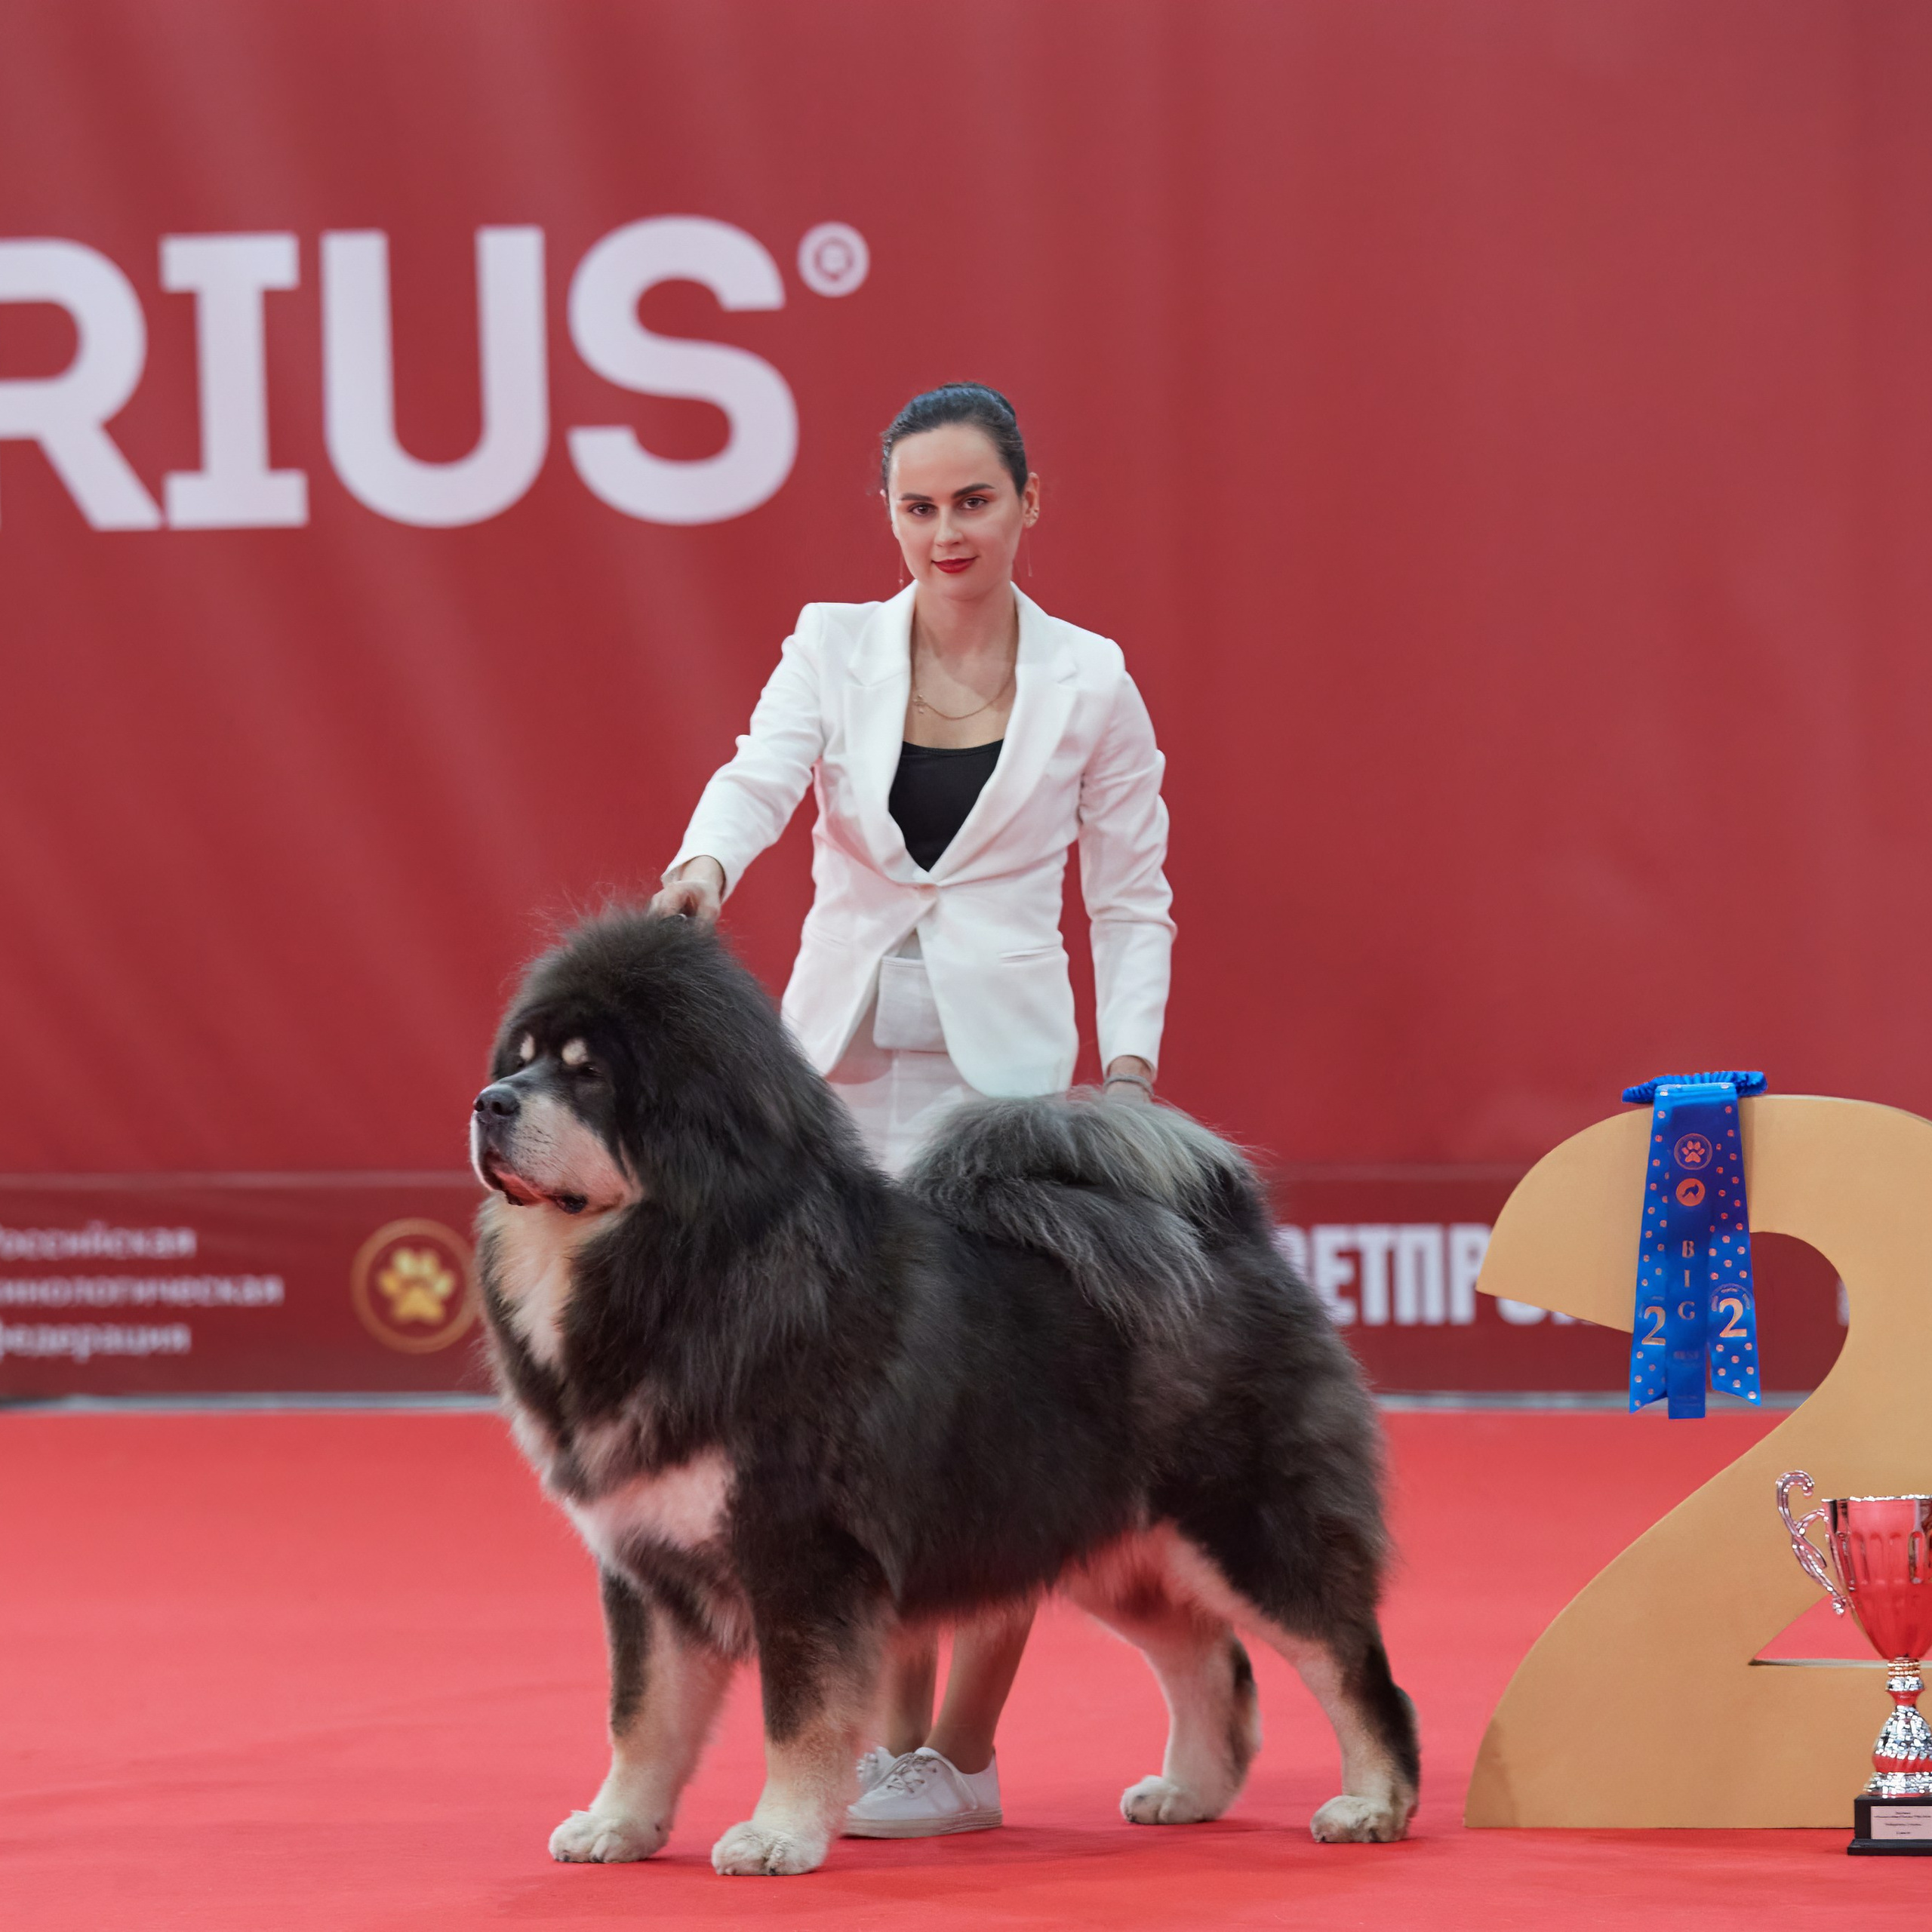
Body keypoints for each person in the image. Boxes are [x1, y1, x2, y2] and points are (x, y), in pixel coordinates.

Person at [651, 382, 1174, 1837]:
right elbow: (758, 779)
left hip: (1008, 1093)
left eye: (974, 502)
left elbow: (1132, 898)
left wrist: (1127, 1069)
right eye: (918, 505)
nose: (947, 530)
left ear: (1027, 502)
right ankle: (885, 1748)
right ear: (888, 514)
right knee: (843, 1411)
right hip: (838, 1083)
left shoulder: (1093, 682)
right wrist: (705, 869)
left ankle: (966, 1748)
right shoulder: (830, 644)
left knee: (1001, 1410)